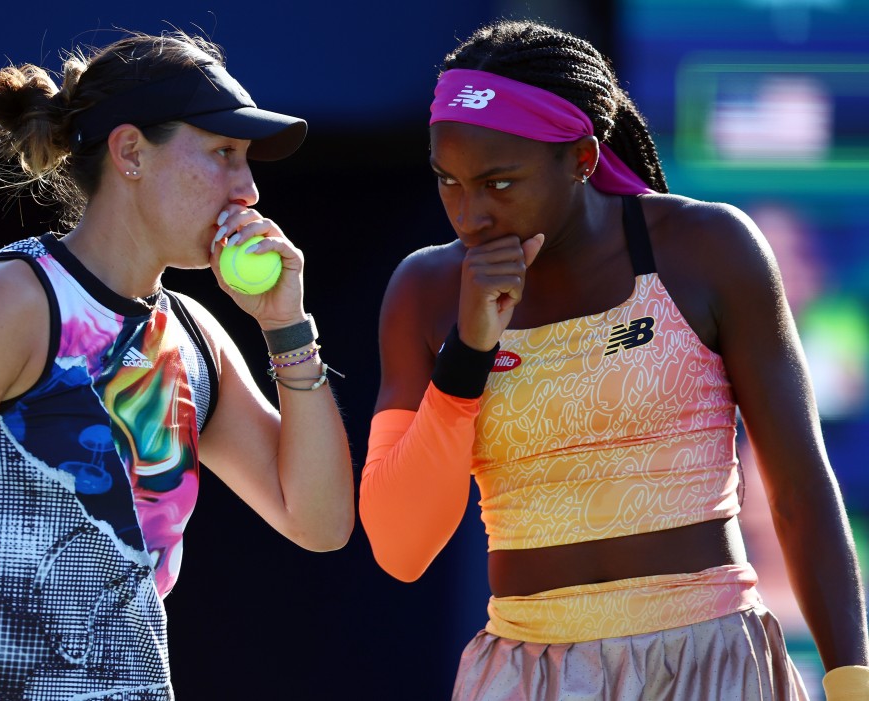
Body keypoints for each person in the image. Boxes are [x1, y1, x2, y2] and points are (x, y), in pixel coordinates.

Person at [358, 18, 868, 701]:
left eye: (499, 183)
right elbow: (400, 545)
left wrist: (852, 684)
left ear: (583, 159)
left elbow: (801, 492)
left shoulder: (709, 247)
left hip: (710, 660)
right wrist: (469, 351)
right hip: (524, 674)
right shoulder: (425, 291)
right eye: (448, 181)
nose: (470, 214)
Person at [0, 29, 353, 701]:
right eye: (225, 154)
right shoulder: (8, 304)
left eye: (247, 160)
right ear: (131, 152)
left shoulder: (197, 338)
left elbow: (320, 523)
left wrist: (286, 326)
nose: (249, 190)